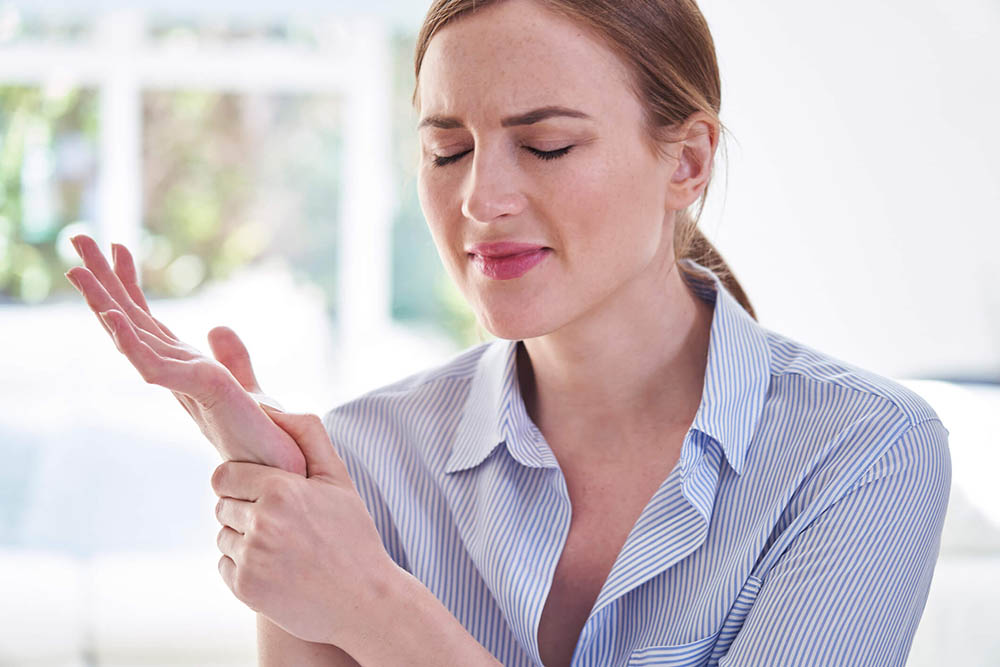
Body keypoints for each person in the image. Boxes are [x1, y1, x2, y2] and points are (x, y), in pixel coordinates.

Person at [65, 0, 952, 665]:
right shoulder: (364, 460)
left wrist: (377, 605)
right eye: (446, 150)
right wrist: (277, 491)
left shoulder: (862, 454)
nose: (479, 201)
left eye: (548, 145)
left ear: (686, 161)